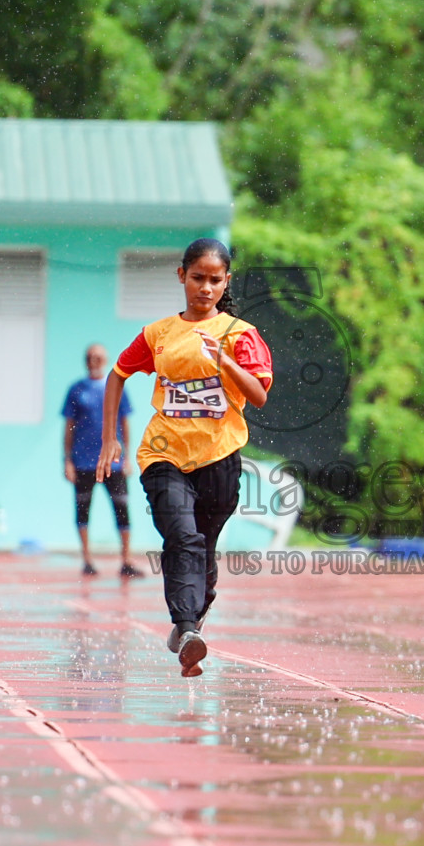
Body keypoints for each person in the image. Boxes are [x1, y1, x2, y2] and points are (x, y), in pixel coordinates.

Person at [97, 239, 273, 677]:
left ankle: (189, 623)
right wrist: (108, 440)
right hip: (163, 452)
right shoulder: (159, 334)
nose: (206, 288)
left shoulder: (239, 334)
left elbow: (260, 395)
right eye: (198, 278)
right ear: (182, 276)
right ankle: (187, 627)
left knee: (202, 549)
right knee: (182, 537)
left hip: (219, 455)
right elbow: (118, 374)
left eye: (216, 280)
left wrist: (226, 364)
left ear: (226, 281)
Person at [62, 344, 141, 578]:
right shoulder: (76, 390)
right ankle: (87, 560)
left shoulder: (115, 386)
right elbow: (68, 428)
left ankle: (126, 560)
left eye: (98, 357)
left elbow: (125, 422)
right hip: (83, 462)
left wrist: (127, 456)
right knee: (83, 510)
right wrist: (67, 460)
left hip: (113, 461)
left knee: (122, 509)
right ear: (85, 361)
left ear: (105, 359)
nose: (94, 360)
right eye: (90, 357)